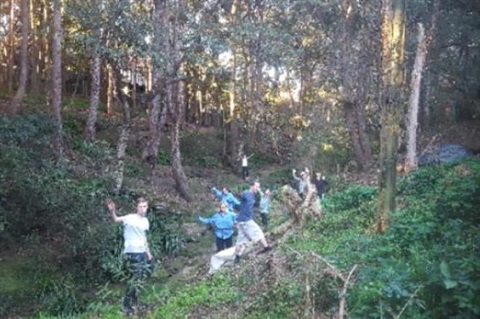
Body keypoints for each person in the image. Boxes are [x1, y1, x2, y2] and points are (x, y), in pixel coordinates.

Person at [106, 197, 152, 315]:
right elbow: (116, 220)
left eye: (145, 206)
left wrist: (148, 253)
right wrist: (112, 211)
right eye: (140, 206)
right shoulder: (130, 218)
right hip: (132, 252)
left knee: (139, 278)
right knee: (134, 278)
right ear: (136, 207)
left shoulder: (145, 221)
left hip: (142, 252)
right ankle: (125, 305)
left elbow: (144, 238)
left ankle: (135, 301)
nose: (143, 209)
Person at [234, 181, 272, 263]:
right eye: (257, 186)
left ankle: (237, 257)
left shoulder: (253, 195)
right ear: (252, 186)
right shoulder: (246, 193)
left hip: (242, 220)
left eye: (259, 187)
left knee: (241, 240)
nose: (258, 189)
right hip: (246, 220)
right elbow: (242, 196)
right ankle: (266, 247)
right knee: (258, 231)